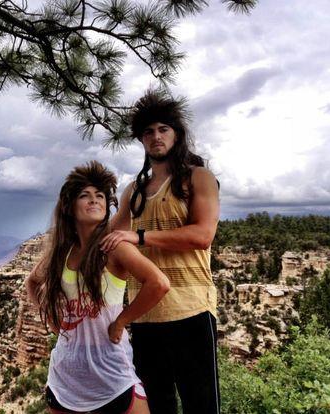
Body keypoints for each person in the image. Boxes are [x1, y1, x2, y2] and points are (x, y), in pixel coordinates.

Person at [100, 90, 220, 414]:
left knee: (201, 405)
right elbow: (110, 237)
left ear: (176, 134)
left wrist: (139, 236)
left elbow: (203, 235)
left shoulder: (199, 178)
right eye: (148, 131)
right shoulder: (134, 191)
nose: (156, 137)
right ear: (141, 138)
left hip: (191, 310)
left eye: (163, 129)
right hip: (146, 314)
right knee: (156, 406)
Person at [25, 160, 170, 414]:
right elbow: (33, 282)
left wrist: (121, 321)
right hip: (66, 378)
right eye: (85, 195)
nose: (94, 200)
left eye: (100, 195)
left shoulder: (114, 248)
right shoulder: (62, 252)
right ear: (70, 207)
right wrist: (50, 317)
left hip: (112, 373)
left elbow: (159, 284)